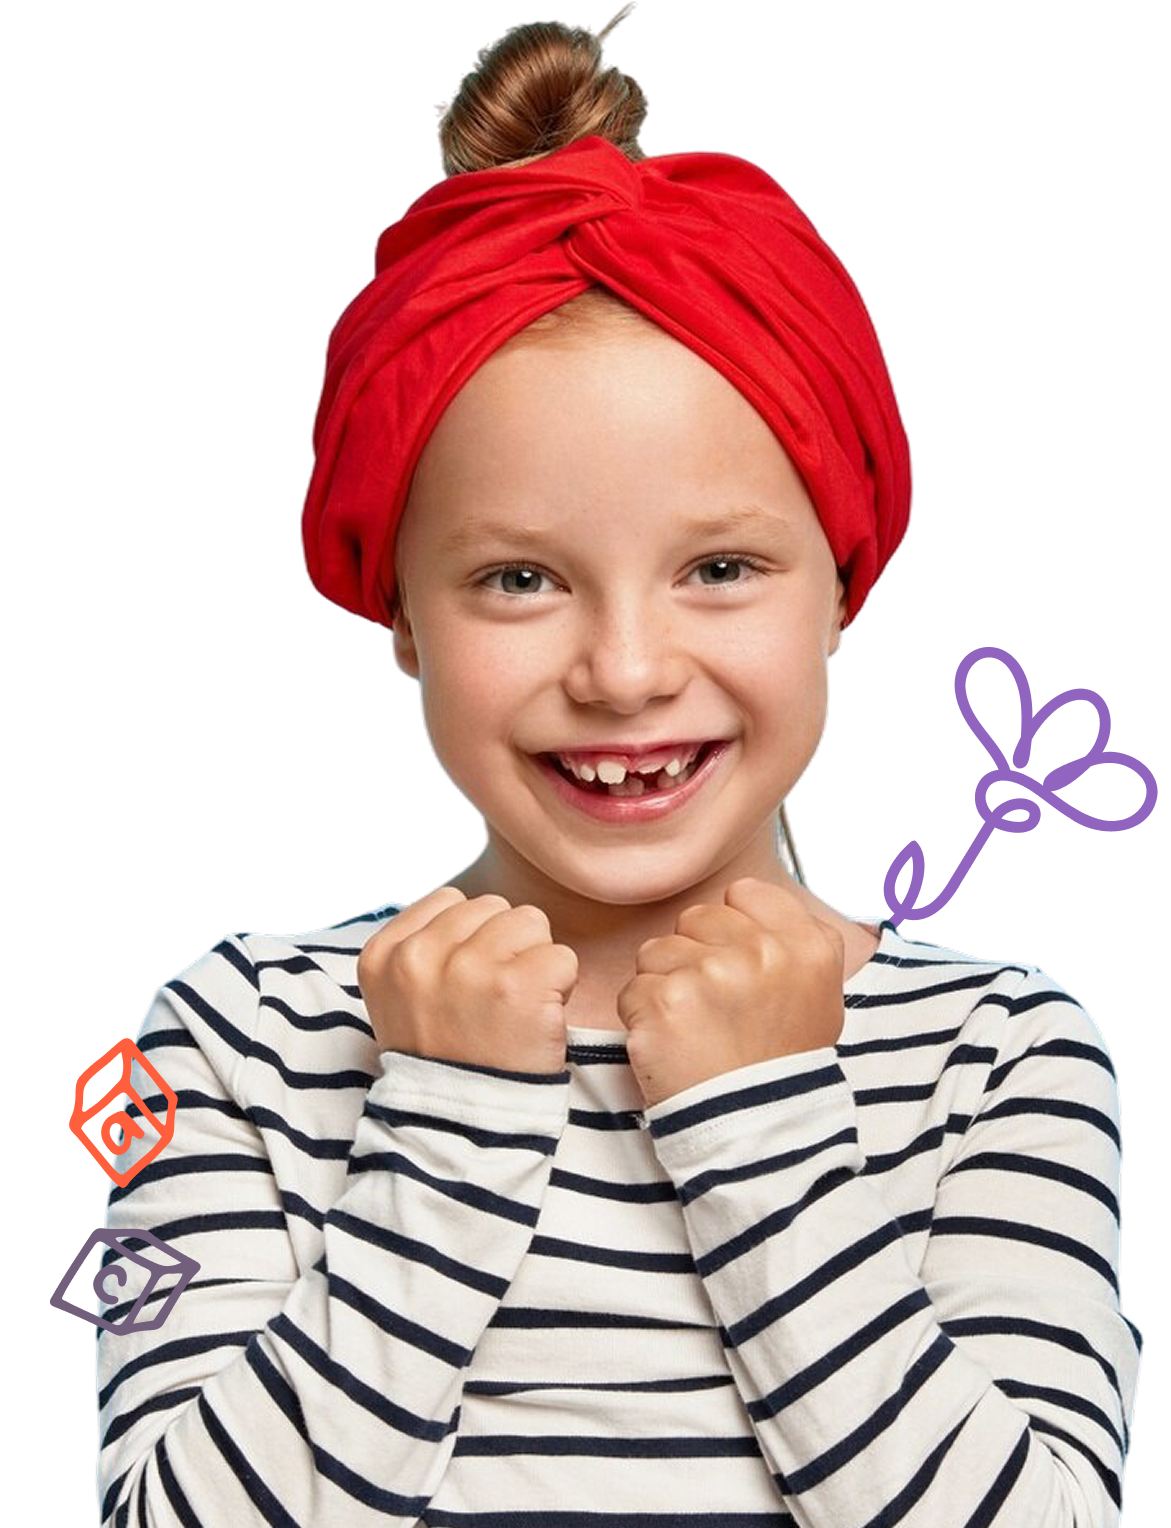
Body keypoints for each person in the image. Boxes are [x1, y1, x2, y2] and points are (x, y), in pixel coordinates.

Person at [94, 10, 1142, 1524]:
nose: (627, 671)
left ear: (840, 586)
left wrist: (761, 1113)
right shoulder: (228, 1038)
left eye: (719, 566)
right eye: (518, 581)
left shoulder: (997, 1052)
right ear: (398, 617)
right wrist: (447, 1118)